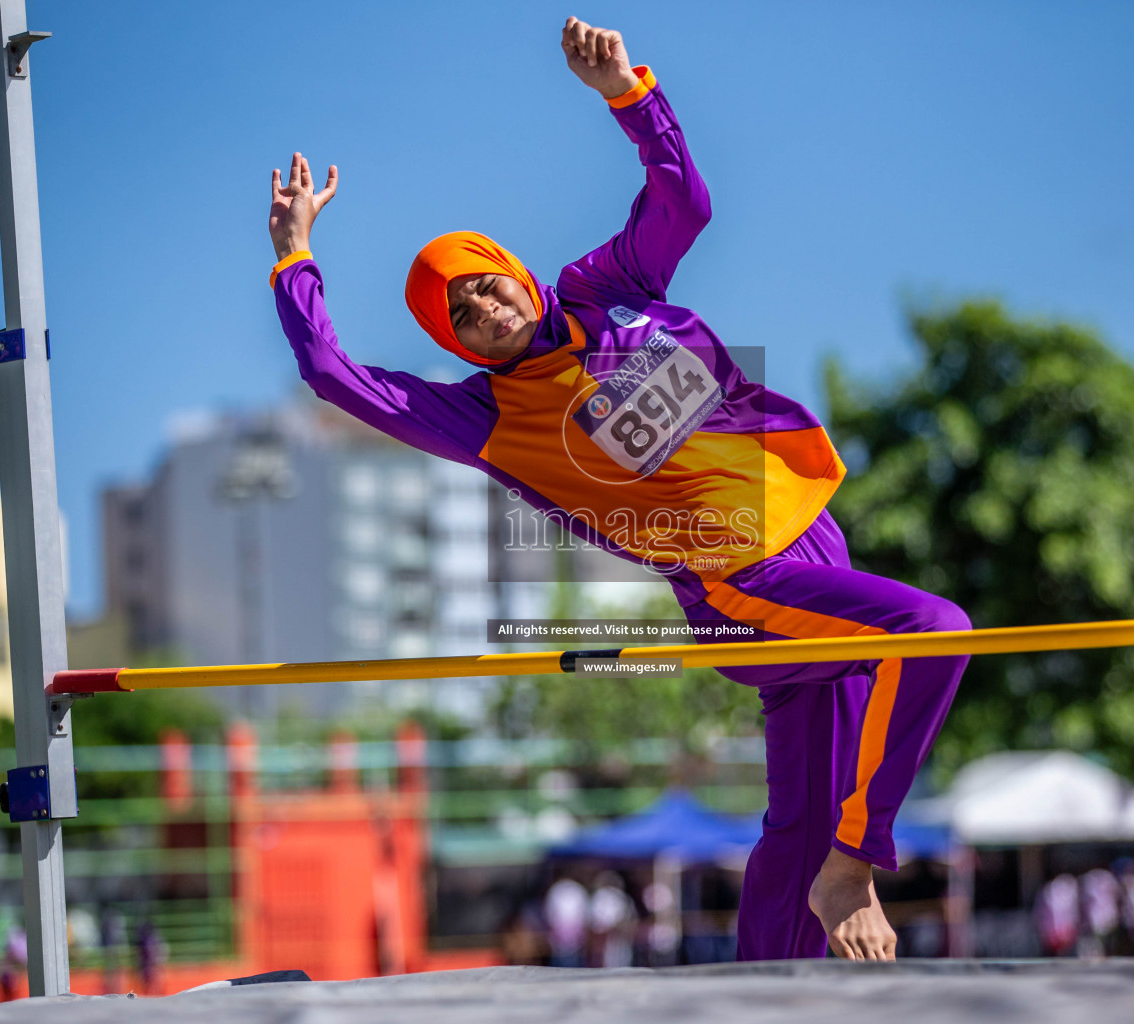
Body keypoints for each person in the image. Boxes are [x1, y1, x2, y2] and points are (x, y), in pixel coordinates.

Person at [267, 16, 971, 962]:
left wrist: (626, 95)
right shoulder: (485, 417)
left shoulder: (605, 288)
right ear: (454, 344)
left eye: (484, 285)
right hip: (737, 585)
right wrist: (295, 257)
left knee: (797, 822)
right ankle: (860, 858)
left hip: (811, 534)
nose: (482, 309)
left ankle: (769, 989)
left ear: (514, 273)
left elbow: (685, 200)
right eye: (459, 315)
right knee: (931, 630)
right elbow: (335, 376)